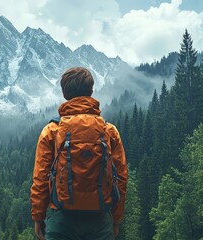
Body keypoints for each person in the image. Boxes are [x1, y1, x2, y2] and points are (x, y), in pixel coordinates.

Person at [30, 67, 128, 240]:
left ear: (64, 93)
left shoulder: (52, 131)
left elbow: (41, 178)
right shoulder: (109, 131)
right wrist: (116, 219)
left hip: (61, 219)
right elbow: (120, 178)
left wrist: (38, 217)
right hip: (100, 219)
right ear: (91, 91)